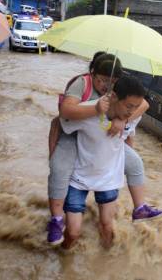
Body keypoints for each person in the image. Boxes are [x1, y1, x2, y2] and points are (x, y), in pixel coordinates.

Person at [47, 53, 162, 245]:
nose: (106, 86)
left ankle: (140, 207)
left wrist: (122, 119)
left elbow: (140, 107)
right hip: (76, 133)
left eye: (112, 81)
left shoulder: (122, 101)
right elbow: (62, 116)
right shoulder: (82, 86)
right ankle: (56, 219)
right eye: (102, 80)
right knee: (59, 169)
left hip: (103, 152)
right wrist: (52, 152)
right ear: (92, 74)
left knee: (135, 162)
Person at [61, 75, 146, 249]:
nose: (132, 111)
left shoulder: (131, 115)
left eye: (135, 107)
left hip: (109, 178)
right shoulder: (87, 112)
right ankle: (63, 257)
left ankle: (105, 262)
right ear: (114, 97)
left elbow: (141, 111)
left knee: (107, 227)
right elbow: (60, 122)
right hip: (79, 177)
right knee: (73, 233)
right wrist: (54, 159)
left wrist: (123, 120)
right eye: (129, 106)